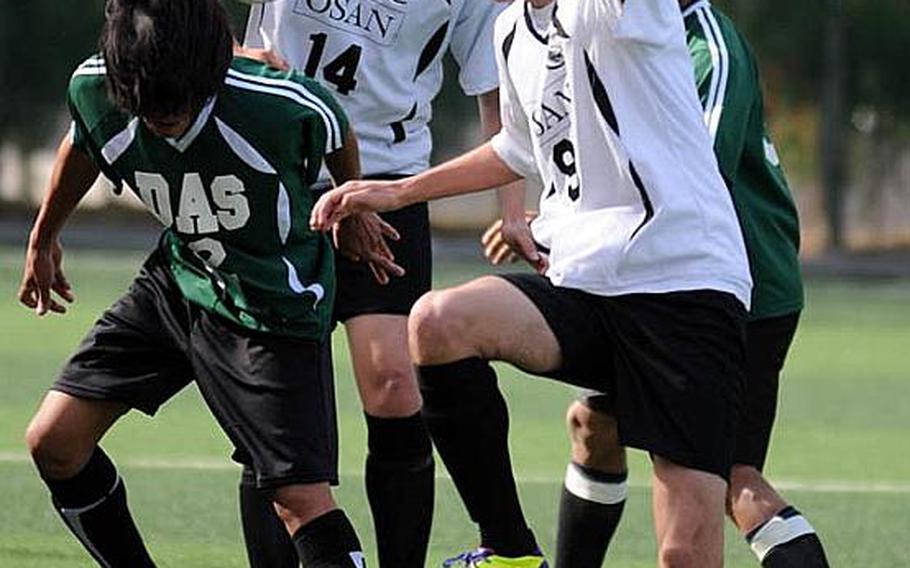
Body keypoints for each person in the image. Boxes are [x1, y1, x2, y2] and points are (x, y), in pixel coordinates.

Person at [309, 0, 754, 566]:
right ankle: (509, 550)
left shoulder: (613, 10)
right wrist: (396, 192)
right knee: (439, 322)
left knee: (683, 557)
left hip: (682, 288)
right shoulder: (510, 28)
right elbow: (516, 149)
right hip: (585, 287)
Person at [18, 0, 395, 565]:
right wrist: (44, 235)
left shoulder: (277, 102)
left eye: (178, 105)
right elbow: (84, 138)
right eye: (148, 109)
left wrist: (355, 204)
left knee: (298, 498)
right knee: (54, 442)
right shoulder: (98, 86)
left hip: (273, 302)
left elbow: (333, 122)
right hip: (179, 278)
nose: (163, 119)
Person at [480, 1, 832, 566]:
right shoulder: (599, 26)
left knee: (736, 481)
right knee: (593, 425)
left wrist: (556, 225)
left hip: (734, 292)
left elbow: (693, 170)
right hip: (644, 281)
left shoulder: (707, 47)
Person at [237, 1, 516, 567]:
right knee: (278, 410)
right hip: (276, 169)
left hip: (387, 180)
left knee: (393, 383)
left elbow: (494, 86)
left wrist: (511, 209)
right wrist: (235, 56)